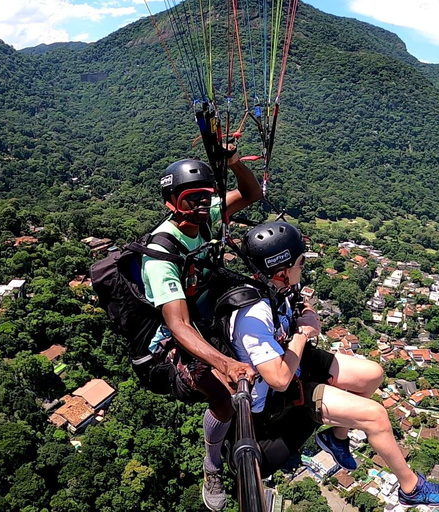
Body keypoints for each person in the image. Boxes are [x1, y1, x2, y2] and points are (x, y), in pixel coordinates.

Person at [229, 221, 439, 508]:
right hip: (279, 396)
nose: (304, 268)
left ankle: (337, 439)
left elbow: (301, 307)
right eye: (300, 263)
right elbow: (278, 379)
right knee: (375, 416)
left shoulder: (277, 288)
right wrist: (303, 333)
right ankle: (410, 487)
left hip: (295, 359)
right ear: (282, 271)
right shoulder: (254, 315)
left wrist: (307, 317)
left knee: (372, 374)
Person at [141, 150, 262, 511]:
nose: (199, 205)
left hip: (208, 309)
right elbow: (177, 324)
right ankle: (212, 464)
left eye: (205, 196)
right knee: (224, 400)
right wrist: (223, 363)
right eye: (188, 198)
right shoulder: (160, 253)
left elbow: (251, 194)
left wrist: (237, 162)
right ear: (170, 203)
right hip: (176, 335)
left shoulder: (207, 216)